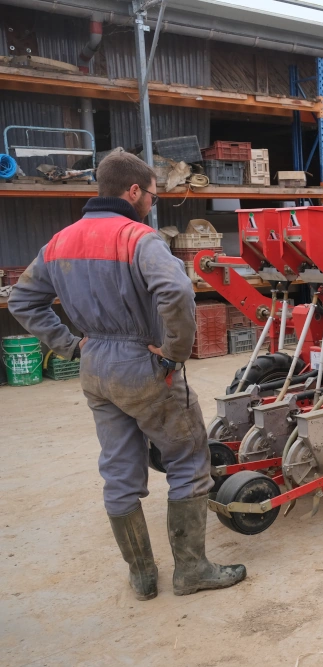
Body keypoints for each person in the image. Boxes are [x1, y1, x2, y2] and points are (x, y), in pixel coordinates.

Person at [8, 149, 245, 600]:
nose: (152, 205)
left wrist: (70, 344)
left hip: (95, 366)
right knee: (188, 461)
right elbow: (176, 291)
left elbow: (22, 300)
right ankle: (191, 570)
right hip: (143, 363)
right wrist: (174, 353)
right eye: (153, 196)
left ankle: (142, 576)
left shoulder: (58, 242)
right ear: (133, 191)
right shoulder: (138, 238)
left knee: (118, 474)